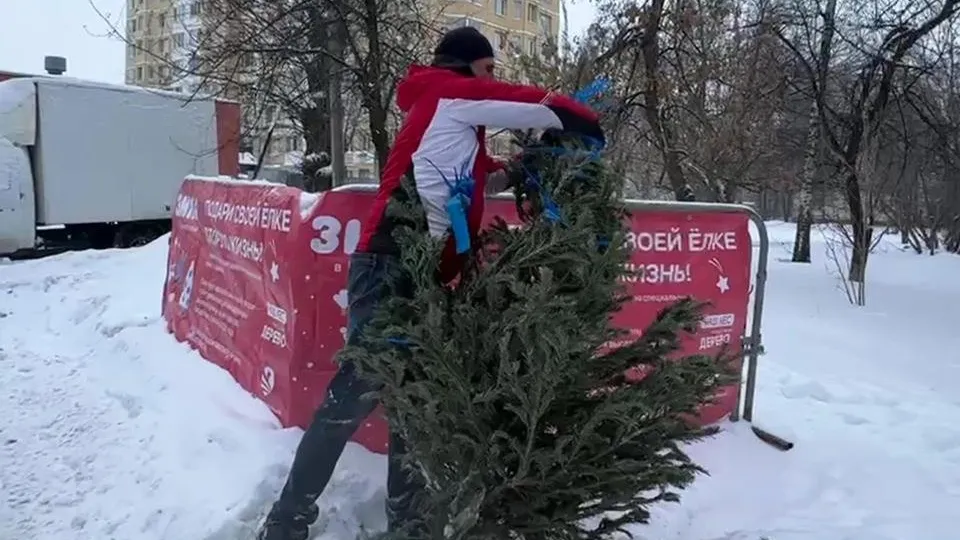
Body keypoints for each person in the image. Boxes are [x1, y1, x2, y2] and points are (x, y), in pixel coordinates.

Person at [258, 26, 604, 540]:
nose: (492, 78)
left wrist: (522, 169)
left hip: (421, 273)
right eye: (488, 68)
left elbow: (479, 175)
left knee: (415, 403)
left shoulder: (449, 120)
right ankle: (286, 521)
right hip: (390, 266)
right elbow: (535, 105)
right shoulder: (449, 92)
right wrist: (585, 124)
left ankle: (410, 524)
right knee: (354, 394)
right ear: (466, 65)